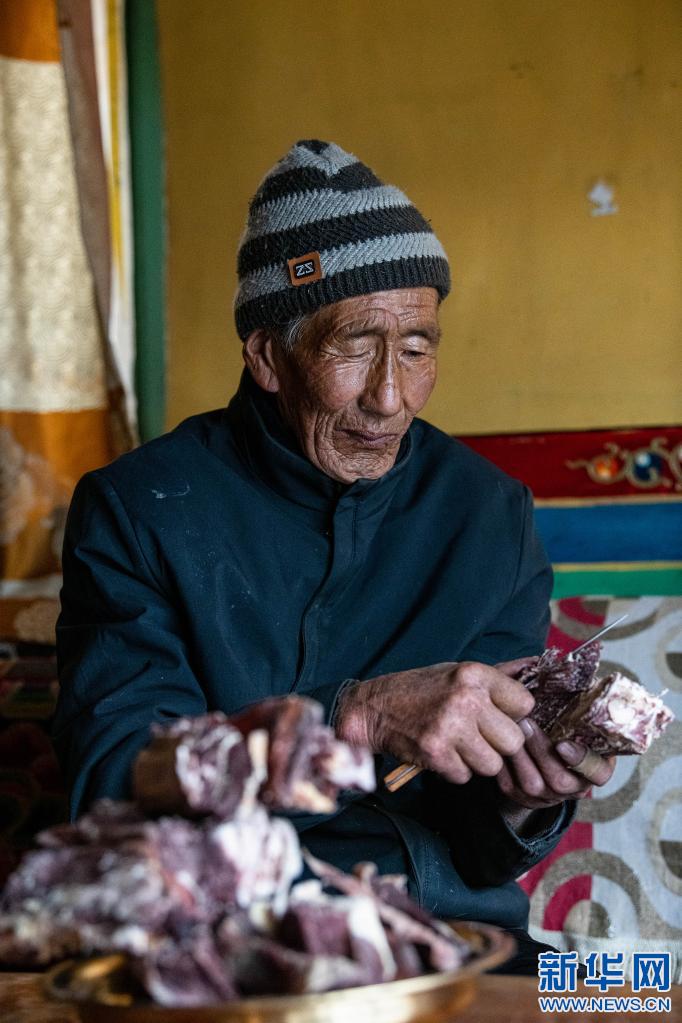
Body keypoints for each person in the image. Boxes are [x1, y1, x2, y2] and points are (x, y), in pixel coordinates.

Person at [53, 140, 614, 972]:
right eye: (354, 345)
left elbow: (481, 847)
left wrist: (526, 795)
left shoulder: (487, 511)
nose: (389, 397)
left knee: (637, 995)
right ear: (266, 356)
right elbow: (113, 780)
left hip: (456, 943)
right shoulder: (140, 508)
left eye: (417, 347)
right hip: (224, 942)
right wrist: (353, 717)